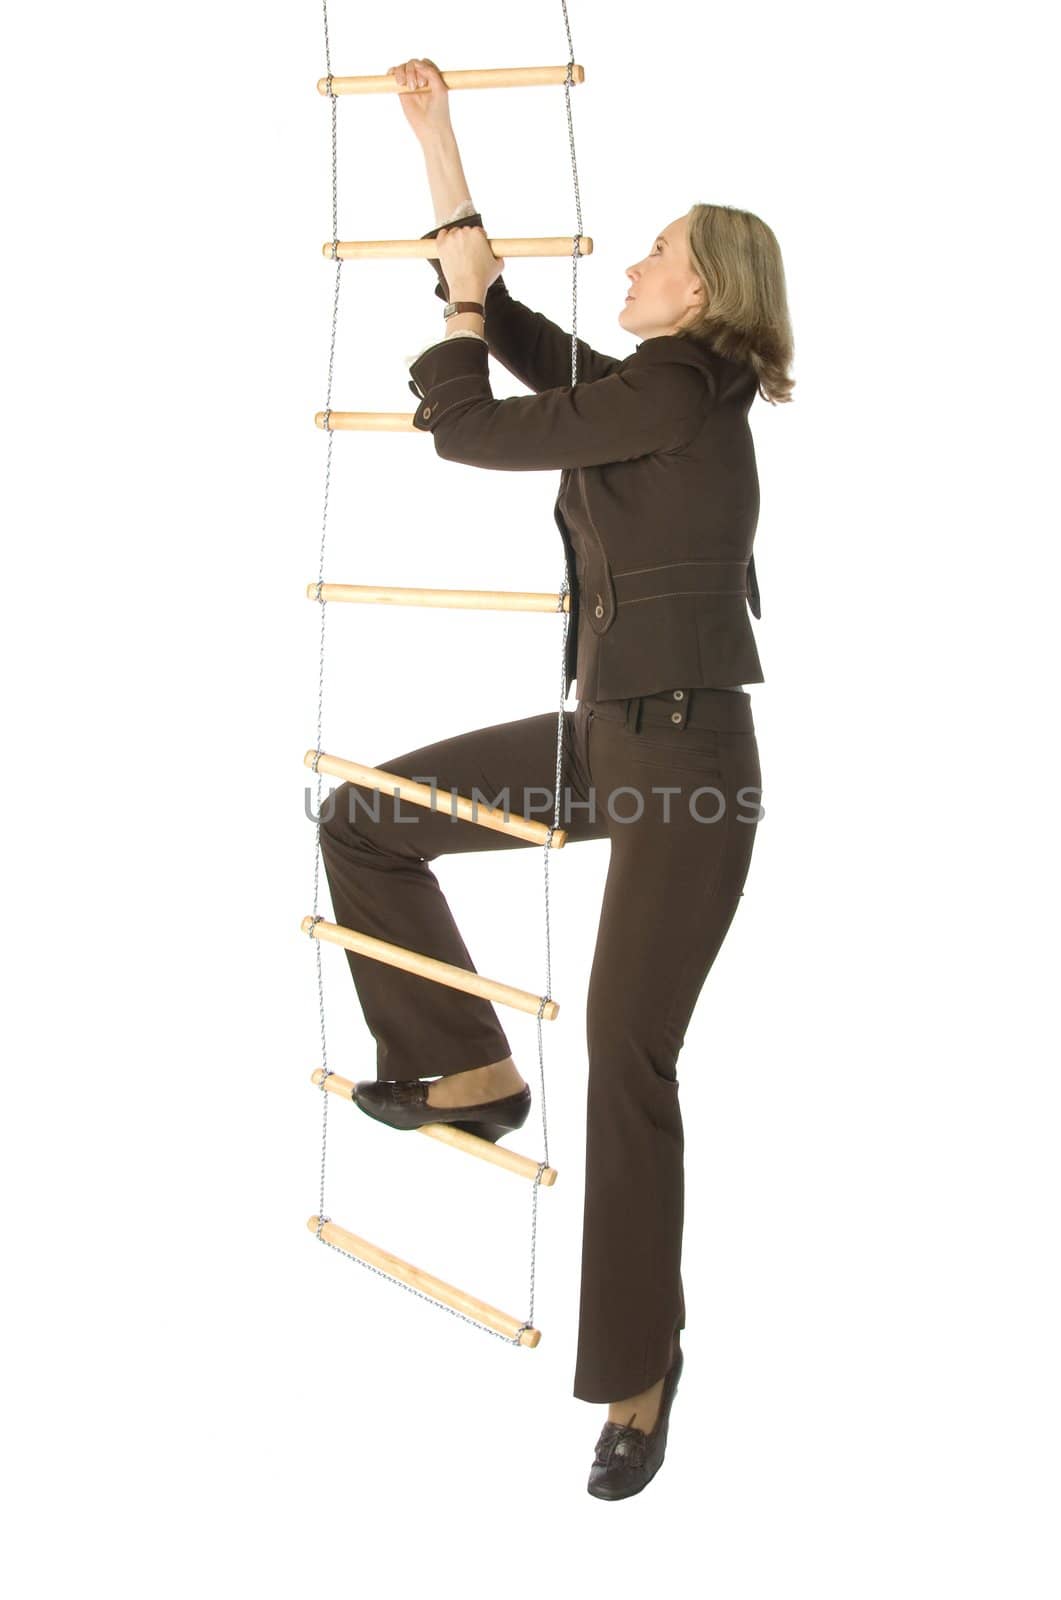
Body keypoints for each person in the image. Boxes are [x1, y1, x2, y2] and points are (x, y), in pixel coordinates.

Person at [317, 55, 795, 1500]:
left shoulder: (678, 388)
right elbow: (506, 324)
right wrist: (435, 138)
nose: (633, 263)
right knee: (368, 819)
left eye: (654, 252)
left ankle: (641, 1369)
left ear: (704, 288)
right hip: (611, 739)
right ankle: (461, 1065)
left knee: (629, 1050)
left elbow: (468, 420)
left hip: (689, 758)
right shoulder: (657, 386)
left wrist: (465, 317)